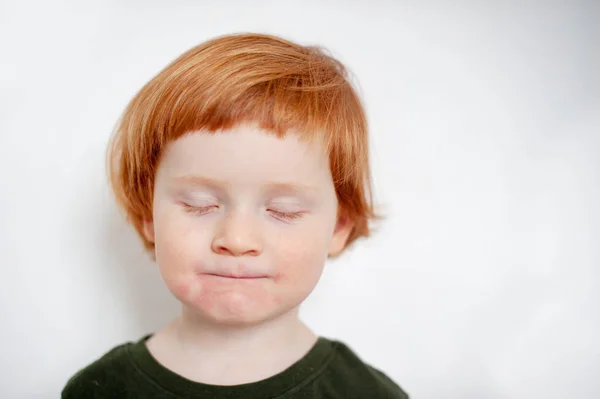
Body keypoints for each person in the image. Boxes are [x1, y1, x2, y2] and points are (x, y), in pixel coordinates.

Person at [61, 32, 409, 398]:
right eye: (199, 203)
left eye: (282, 211)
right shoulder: (99, 391)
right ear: (149, 214)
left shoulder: (365, 393)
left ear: (339, 225)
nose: (237, 240)